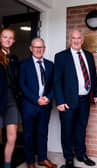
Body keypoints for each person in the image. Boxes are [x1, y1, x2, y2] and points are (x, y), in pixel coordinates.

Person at [54, 30, 97, 168]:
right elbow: (56, 80)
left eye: (79, 38)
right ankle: (68, 158)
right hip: (68, 101)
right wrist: (60, 101)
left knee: (81, 128)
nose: (76, 40)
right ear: (70, 40)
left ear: (82, 39)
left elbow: (93, 75)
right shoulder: (61, 56)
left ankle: (81, 154)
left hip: (85, 100)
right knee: (67, 130)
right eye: (73, 38)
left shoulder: (89, 55)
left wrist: (95, 93)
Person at [19, 37, 56, 168]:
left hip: (45, 105)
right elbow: (22, 85)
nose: (38, 50)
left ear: (44, 49)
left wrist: (49, 97)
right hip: (29, 105)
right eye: (36, 47)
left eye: (41, 47)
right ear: (31, 49)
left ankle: (42, 158)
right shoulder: (23, 64)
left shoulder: (51, 65)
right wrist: (36, 98)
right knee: (29, 134)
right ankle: (30, 162)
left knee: (42, 133)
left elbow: (54, 85)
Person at [0, 28, 21, 168]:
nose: (8, 40)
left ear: (13, 41)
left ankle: (7, 165)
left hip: (11, 99)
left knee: (12, 136)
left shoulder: (13, 59)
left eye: (10, 38)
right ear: (0, 39)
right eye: (5, 37)